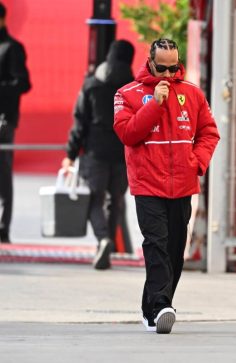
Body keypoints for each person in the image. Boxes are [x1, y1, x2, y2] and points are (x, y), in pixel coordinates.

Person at [113, 38, 219, 334]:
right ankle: (161, 306)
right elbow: (127, 133)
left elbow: (209, 133)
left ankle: (153, 309)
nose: (169, 75)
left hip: (182, 184)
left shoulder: (193, 94)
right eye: (162, 68)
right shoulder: (127, 94)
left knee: (174, 251)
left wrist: (196, 163)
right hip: (147, 183)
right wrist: (156, 104)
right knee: (155, 243)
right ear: (150, 62)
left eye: (174, 68)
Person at [62, 40, 135, 269]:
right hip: (123, 152)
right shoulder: (135, 88)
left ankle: (102, 238)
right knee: (116, 200)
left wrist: (71, 154)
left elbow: (79, 122)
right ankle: (109, 244)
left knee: (95, 199)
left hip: (95, 151)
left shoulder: (91, 84)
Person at [0, 2, 31, 243]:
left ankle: (2, 226)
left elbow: (23, 83)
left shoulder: (12, 48)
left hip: (3, 120)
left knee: (2, 172)